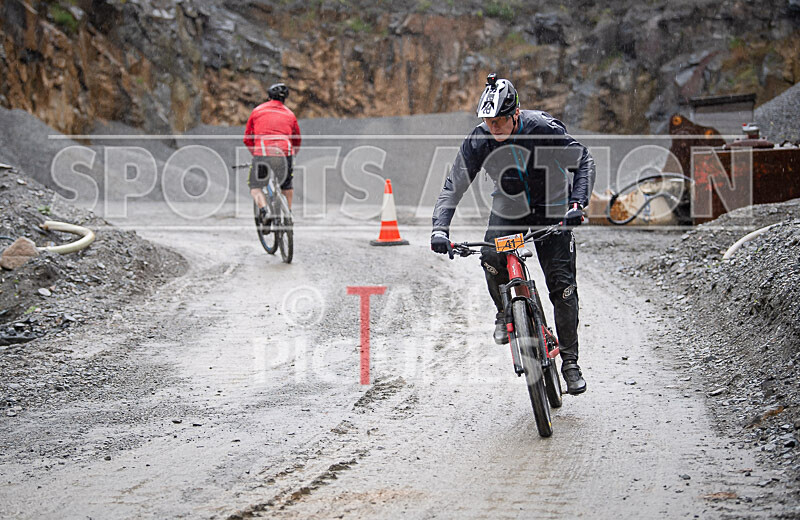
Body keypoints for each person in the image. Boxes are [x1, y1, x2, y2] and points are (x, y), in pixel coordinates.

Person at [430, 73, 596, 395]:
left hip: (552, 204)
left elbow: (583, 161)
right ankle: (505, 311)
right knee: (490, 256)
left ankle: (570, 362)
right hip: (510, 205)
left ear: (515, 114)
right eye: (489, 121)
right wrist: (440, 228)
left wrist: (577, 204)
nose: (494, 127)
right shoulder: (479, 140)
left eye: (500, 121)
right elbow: (453, 186)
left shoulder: (543, 129)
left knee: (561, 287)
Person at [243, 82, 301, 220]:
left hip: (262, 154)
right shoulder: (290, 115)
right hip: (284, 154)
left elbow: (247, 138)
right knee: (286, 185)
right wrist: (292, 156)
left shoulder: (257, 111)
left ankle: (264, 210)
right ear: (284, 99)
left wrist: (256, 153)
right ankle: (288, 214)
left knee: (255, 186)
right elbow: (297, 140)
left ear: (269, 96)